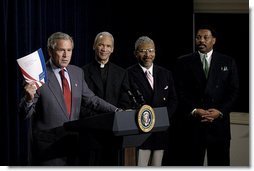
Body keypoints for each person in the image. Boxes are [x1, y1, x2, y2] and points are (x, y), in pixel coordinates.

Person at [18, 32, 118, 166]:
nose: (66, 55)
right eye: (61, 50)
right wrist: (28, 98)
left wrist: (117, 110)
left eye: (69, 50)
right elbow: (24, 114)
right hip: (48, 150)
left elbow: (92, 100)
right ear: (50, 51)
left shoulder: (77, 72)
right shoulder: (37, 75)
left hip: (73, 146)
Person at [173, 25, 239, 166]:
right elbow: (179, 92)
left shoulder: (227, 61)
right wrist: (194, 110)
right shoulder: (183, 62)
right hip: (193, 126)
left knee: (220, 165)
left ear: (214, 40)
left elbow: (233, 92)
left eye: (205, 37)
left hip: (219, 126)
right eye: (198, 37)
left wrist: (220, 111)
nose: (201, 41)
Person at [81, 31, 131, 165]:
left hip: (114, 132)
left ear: (113, 49)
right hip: (91, 131)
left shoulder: (121, 73)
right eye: (101, 45)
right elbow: (81, 103)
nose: (104, 49)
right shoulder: (82, 72)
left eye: (108, 46)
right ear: (94, 46)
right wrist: (99, 119)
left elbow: (125, 101)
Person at [127, 36, 177, 166]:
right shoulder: (128, 74)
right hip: (140, 133)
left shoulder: (166, 74)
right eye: (143, 51)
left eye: (151, 50)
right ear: (136, 53)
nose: (148, 55)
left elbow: (173, 100)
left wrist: (162, 118)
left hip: (161, 132)